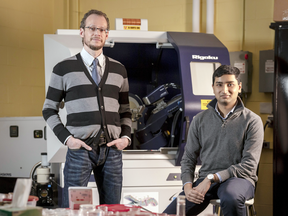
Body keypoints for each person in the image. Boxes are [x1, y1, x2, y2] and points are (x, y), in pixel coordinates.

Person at [42, 9, 132, 207]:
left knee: (113, 209)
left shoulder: (119, 69)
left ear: (107, 34)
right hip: (80, 150)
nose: (97, 33)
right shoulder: (63, 68)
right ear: (81, 31)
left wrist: (125, 137)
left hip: (112, 151)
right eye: (92, 28)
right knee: (74, 209)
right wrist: (67, 139)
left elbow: (125, 110)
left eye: (102, 29)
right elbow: (48, 109)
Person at [163, 65, 263, 215]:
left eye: (230, 84)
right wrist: (188, 186)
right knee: (172, 212)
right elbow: (188, 158)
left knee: (231, 197)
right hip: (205, 181)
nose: (224, 90)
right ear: (213, 87)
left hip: (239, 180)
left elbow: (249, 165)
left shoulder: (252, 121)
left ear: (239, 87)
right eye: (219, 84)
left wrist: (212, 178)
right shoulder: (199, 120)